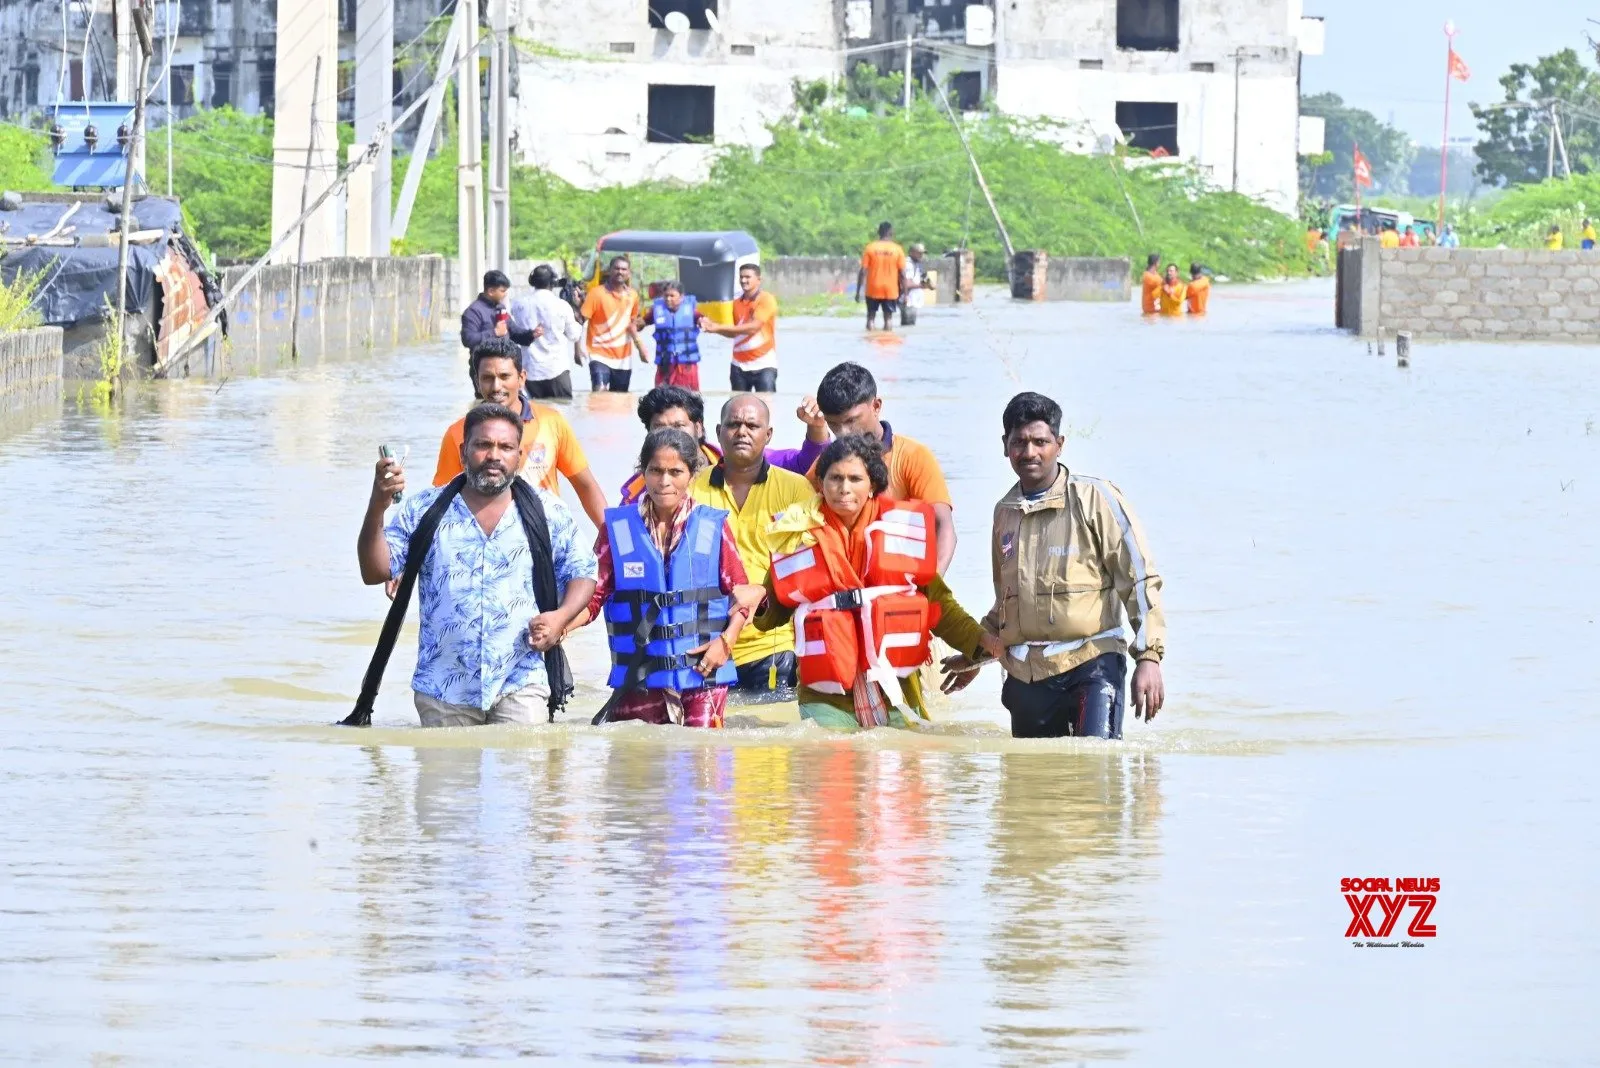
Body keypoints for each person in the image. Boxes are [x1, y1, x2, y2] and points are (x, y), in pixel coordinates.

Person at [942, 392, 1166, 739]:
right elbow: (1008, 604)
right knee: (1033, 784)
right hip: (1026, 675)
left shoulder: (1096, 499)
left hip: (1092, 663)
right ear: (1005, 446)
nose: (1029, 452)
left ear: (1059, 444)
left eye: (1040, 441)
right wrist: (976, 655)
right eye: (1019, 442)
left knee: (1096, 768)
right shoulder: (1005, 512)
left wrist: (1149, 657)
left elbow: (1139, 580)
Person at [358, 403, 599, 726]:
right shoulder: (425, 510)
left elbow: (582, 572)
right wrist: (378, 504)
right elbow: (375, 572)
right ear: (463, 452)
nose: (494, 455)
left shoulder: (548, 512)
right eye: (483, 445)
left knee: (524, 773)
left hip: (521, 679)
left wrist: (560, 618)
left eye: (505, 447)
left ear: (520, 455)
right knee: (447, 777)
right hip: (444, 688)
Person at [760, 435, 1003, 731]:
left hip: (896, 687)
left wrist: (981, 641)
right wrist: (756, 600)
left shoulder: (903, 534)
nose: (844, 488)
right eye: (835, 478)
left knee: (906, 770)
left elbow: (939, 607)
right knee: (828, 768)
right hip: (827, 695)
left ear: (872, 484)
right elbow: (771, 613)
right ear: (821, 482)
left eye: (854, 478)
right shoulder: (795, 533)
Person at [572, 428, 762, 728]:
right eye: (656, 470)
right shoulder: (617, 529)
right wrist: (559, 626)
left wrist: (725, 643)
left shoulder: (713, 527)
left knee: (704, 767)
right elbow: (592, 598)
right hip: (640, 678)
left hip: (704, 676)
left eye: (676, 472)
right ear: (643, 472)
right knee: (639, 769)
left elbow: (742, 597)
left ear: (691, 475)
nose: (665, 481)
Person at [689, 395, 818, 700]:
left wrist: (762, 591)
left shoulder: (795, 489)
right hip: (706, 647)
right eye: (733, 424)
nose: (742, 431)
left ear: (768, 434)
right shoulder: (693, 489)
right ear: (719, 432)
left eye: (752, 425)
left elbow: (812, 566)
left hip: (772, 648)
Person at [433, 337, 609, 529]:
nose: (496, 387)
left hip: (547, 537)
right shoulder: (458, 433)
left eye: (504, 376)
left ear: (521, 378)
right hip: (484, 543)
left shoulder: (552, 423)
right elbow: (442, 500)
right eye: (487, 378)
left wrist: (613, 541)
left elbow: (586, 486)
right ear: (477, 382)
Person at [811, 361, 957, 573]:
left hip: (901, 584)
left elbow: (943, 528)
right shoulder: (825, 465)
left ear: (876, 406)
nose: (843, 432)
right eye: (833, 424)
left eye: (852, 420)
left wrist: (934, 585)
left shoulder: (913, 457)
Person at [618, 386, 831, 504]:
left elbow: (810, 465)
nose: (671, 435)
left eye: (679, 425)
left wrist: (818, 426)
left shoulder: (740, 458)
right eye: (660, 428)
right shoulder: (642, 490)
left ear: (699, 428)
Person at [700, 263, 779, 392]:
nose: (743, 280)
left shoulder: (766, 299)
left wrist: (717, 327)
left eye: (747, 277)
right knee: (737, 406)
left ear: (759, 280)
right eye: (741, 277)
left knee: (766, 405)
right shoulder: (735, 302)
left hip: (765, 364)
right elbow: (733, 332)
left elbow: (753, 328)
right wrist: (713, 329)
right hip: (738, 366)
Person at [509, 265, 584, 400]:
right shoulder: (561, 305)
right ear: (553, 283)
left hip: (530, 371)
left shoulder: (518, 304)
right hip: (557, 370)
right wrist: (578, 316)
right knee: (561, 413)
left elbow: (512, 332)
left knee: (534, 415)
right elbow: (574, 335)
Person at [579, 255, 646, 393]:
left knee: (620, 399)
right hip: (599, 353)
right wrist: (578, 348)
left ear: (628, 273)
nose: (620, 272)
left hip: (623, 357)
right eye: (616, 268)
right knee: (599, 391)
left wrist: (640, 342)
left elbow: (633, 323)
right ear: (609, 271)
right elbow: (582, 320)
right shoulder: (596, 293)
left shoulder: (632, 296)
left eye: (623, 269)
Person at [637, 281, 702, 391]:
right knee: (662, 398)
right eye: (666, 296)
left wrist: (705, 323)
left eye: (672, 296)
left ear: (681, 297)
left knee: (689, 397)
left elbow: (704, 321)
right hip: (665, 363)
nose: (668, 299)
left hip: (686, 365)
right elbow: (640, 324)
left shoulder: (691, 311)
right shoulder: (656, 311)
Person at [460, 269, 535, 353]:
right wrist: (494, 332)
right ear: (491, 291)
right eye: (502, 291)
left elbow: (514, 332)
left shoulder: (500, 308)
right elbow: (468, 339)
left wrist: (531, 334)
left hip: (505, 362)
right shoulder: (473, 311)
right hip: (485, 364)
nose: (505, 294)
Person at [856, 221, 907, 331]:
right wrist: (906, 294)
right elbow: (902, 274)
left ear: (879, 232)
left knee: (870, 317)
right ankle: (887, 339)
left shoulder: (870, 248)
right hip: (890, 289)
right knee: (888, 318)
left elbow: (863, 271)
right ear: (891, 232)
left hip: (873, 288)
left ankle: (870, 341)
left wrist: (858, 291)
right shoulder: (897, 249)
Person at [900, 242, 933, 326]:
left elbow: (922, 277)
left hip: (913, 300)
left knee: (910, 326)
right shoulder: (908, 264)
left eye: (922, 253)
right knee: (908, 325)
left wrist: (928, 283)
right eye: (919, 253)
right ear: (911, 252)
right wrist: (923, 286)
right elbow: (906, 284)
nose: (921, 255)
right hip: (908, 299)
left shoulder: (917, 264)